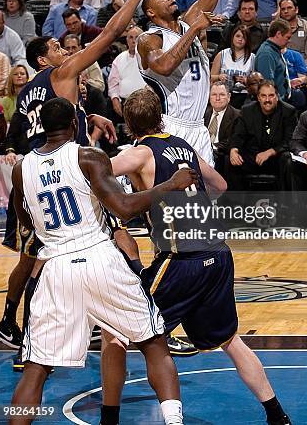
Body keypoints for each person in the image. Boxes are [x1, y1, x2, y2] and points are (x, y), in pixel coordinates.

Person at [0, 0, 157, 355]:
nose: (63, 48)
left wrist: (89, 114)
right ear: (41, 60)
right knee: (113, 238)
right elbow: (113, 31)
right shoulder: (63, 73)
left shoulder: (33, 89)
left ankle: (7, 321)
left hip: (33, 174)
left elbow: (36, 126)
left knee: (37, 252)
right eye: (54, 48)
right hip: (69, 170)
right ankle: (136, 311)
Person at [9, 97, 196, 425]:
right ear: (73, 125)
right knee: (153, 342)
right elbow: (124, 207)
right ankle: (174, 421)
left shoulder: (21, 169)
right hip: (98, 256)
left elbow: (25, 219)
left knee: (36, 367)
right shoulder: (88, 157)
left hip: (56, 267)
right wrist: (171, 184)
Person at [111, 88, 293, 425]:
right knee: (230, 341)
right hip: (218, 253)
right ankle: (277, 414)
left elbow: (99, 170)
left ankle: (118, 414)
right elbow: (221, 185)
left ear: (128, 124)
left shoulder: (139, 154)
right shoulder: (184, 146)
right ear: (160, 115)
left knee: (123, 331)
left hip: (182, 259)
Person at [136, 0, 243, 165]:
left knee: (206, 199)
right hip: (169, 127)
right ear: (150, 12)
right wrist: (195, 30)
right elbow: (163, 67)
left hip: (199, 126)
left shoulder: (190, 18)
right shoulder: (149, 38)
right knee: (173, 200)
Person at [228, 79, 296, 191]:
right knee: (231, 160)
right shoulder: (247, 110)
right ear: (258, 97)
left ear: (277, 97)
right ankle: (236, 204)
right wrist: (233, 150)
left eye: (271, 95)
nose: (267, 100)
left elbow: (290, 140)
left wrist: (270, 152)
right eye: (263, 96)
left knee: (287, 159)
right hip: (253, 157)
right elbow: (238, 134)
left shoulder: (288, 111)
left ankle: (286, 204)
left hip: (276, 159)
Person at [108, 25, 145, 119]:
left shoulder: (149, 57)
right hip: (125, 103)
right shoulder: (119, 59)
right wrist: (115, 99)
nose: (133, 41)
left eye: (137, 37)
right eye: (131, 37)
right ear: (126, 40)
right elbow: (113, 85)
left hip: (146, 102)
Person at [204, 81, 240, 174]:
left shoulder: (237, 115)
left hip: (221, 155)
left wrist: (211, 148)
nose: (217, 98)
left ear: (229, 97)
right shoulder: (203, 114)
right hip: (202, 151)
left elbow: (232, 140)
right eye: (214, 94)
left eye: (222, 95)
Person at [255, 19, 292, 101]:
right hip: (275, 105)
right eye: (287, 37)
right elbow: (267, 85)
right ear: (278, 34)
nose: (289, 41)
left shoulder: (274, 50)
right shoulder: (266, 54)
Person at [211, 24, 255, 92]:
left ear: (247, 40)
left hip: (244, 96)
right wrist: (219, 77)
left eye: (244, 37)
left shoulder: (252, 58)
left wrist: (247, 81)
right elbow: (210, 78)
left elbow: (256, 83)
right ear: (233, 37)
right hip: (223, 94)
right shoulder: (222, 54)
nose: (240, 39)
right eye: (238, 36)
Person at [278, 0, 307, 67]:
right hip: (280, 68)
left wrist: (298, 69)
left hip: (301, 68)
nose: (286, 11)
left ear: (296, 10)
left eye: (289, 8)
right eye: (283, 9)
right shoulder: (276, 29)